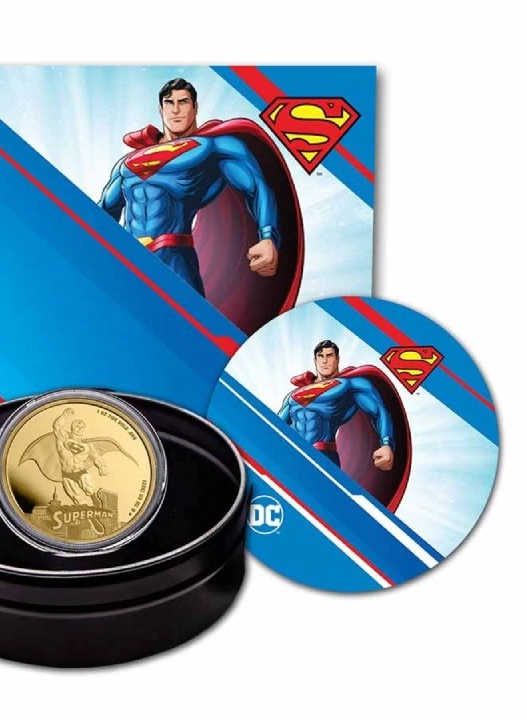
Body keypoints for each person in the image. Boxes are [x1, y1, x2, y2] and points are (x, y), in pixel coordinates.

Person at [98, 78, 297, 298]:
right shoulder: (128, 162)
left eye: (183, 102)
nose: (175, 110)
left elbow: (256, 188)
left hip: (173, 259)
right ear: (161, 109)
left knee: (187, 318)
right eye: (169, 103)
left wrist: (268, 236)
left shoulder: (212, 147)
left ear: (195, 107)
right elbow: (105, 210)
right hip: (129, 260)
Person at [279, 340, 395, 471]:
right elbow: (277, 424)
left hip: (323, 456)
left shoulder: (349, 385)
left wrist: (386, 444)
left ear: (337, 359)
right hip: (293, 455)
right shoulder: (294, 395)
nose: (325, 361)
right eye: (320, 356)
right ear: (315, 360)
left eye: (329, 355)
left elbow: (379, 411)